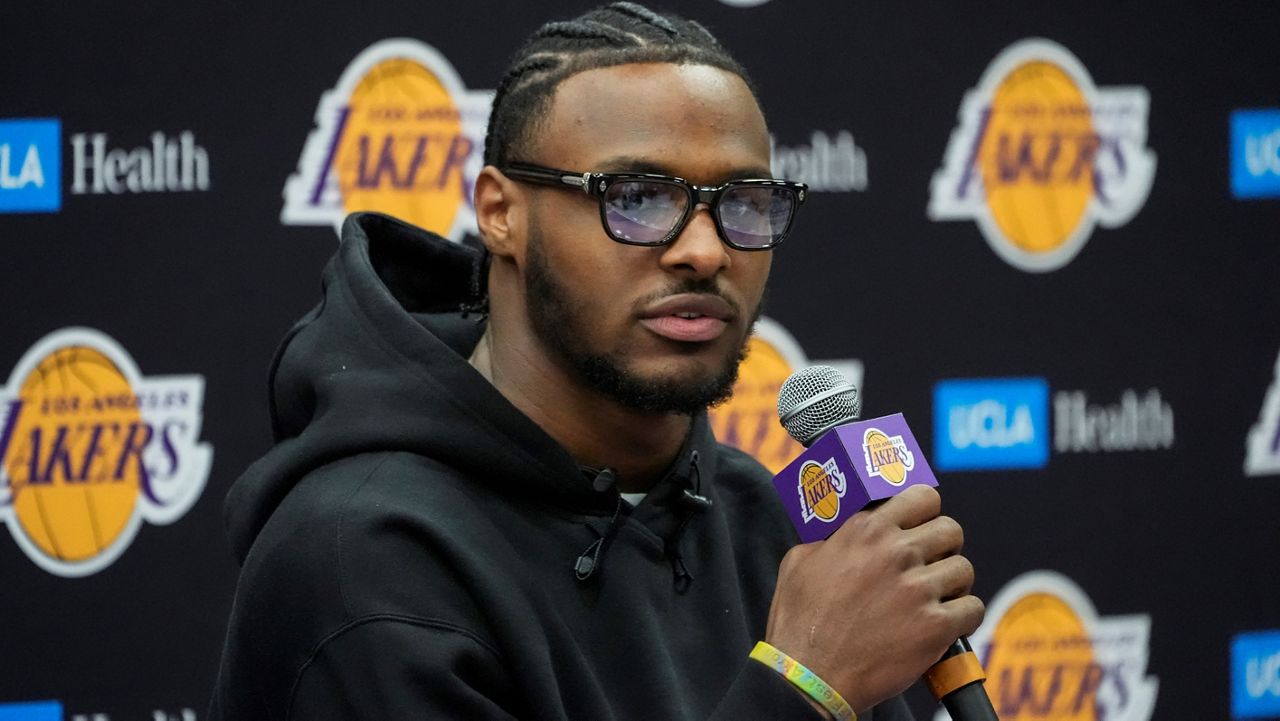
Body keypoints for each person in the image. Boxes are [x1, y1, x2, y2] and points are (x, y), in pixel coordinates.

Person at [211, 3, 983, 719]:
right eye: (638, 197)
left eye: (745, 203)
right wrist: (806, 684)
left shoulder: (765, 521)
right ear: (500, 212)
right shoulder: (360, 561)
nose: (705, 250)